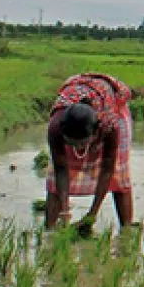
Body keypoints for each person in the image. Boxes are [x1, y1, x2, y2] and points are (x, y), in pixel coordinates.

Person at [45, 73, 135, 231]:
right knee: (54, 183)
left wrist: (92, 215)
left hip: (113, 108)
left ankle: (126, 230)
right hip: (80, 124)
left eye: (82, 144)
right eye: (72, 143)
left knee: (119, 178)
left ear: (95, 133)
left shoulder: (109, 125)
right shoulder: (55, 126)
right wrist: (65, 211)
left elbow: (107, 170)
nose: (78, 149)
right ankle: (50, 230)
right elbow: (60, 169)